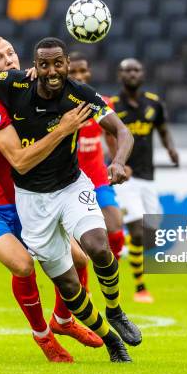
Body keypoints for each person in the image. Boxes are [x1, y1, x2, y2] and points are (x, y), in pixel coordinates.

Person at [0, 37, 140, 363]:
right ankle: (68, 335)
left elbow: (122, 130)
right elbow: (19, 160)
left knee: (93, 251)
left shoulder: (66, 91)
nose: (8, 60)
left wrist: (117, 161)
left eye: (11, 53)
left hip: (64, 188)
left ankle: (99, 314)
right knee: (35, 270)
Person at [107, 58, 179, 304]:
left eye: (136, 69)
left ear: (143, 74)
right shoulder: (113, 106)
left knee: (150, 235)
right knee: (136, 231)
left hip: (149, 177)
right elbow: (107, 135)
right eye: (127, 70)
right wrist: (116, 160)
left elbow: (163, 129)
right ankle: (140, 287)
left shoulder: (154, 103)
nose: (132, 74)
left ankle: (118, 247)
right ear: (120, 75)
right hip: (126, 177)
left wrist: (171, 149)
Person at [68, 52, 126, 263]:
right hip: (70, 182)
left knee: (115, 227)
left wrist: (118, 161)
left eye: (83, 70)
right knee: (79, 242)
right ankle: (85, 287)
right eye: (73, 71)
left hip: (98, 178)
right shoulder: (58, 107)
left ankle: (110, 275)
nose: (79, 75)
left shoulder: (102, 104)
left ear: (89, 72)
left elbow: (111, 135)